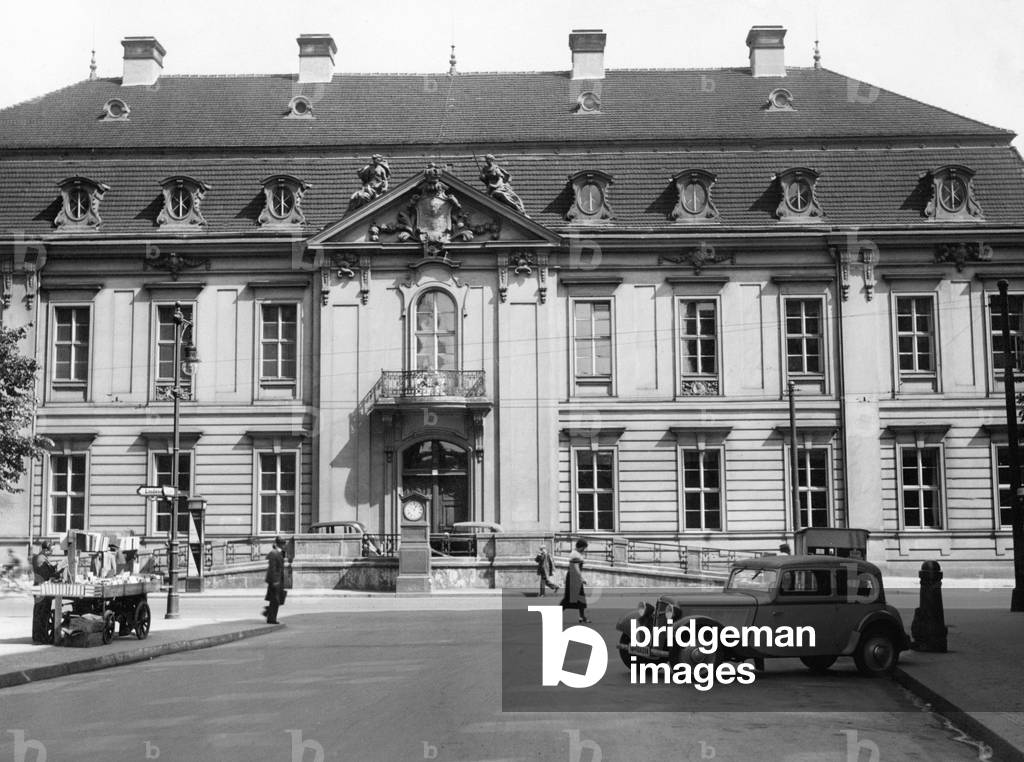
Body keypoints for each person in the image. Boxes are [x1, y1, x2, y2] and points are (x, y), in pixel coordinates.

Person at [31, 540, 59, 643]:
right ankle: (40, 638)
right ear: (45, 550)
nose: (52, 553)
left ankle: (40, 636)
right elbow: (46, 573)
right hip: (41, 590)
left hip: (41, 589)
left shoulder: (42, 558)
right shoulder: (40, 559)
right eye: (51, 550)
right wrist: (56, 570)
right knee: (41, 614)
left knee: (42, 613)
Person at [560, 539, 591, 623]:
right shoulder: (575, 554)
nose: (584, 550)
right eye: (584, 548)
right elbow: (576, 567)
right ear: (580, 547)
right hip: (573, 578)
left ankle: (582, 617)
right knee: (568, 598)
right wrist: (581, 578)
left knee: (580, 597)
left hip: (574, 577)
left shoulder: (576, 553)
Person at [262, 536, 287, 624]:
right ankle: (271, 618)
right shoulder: (274, 553)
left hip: (278, 580)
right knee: (275, 600)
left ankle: (268, 612)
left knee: (278, 598)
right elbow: (272, 568)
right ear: (279, 544)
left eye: (284, 543)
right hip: (275, 580)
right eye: (283, 543)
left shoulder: (279, 553)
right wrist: (274, 581)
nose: (284, 545)